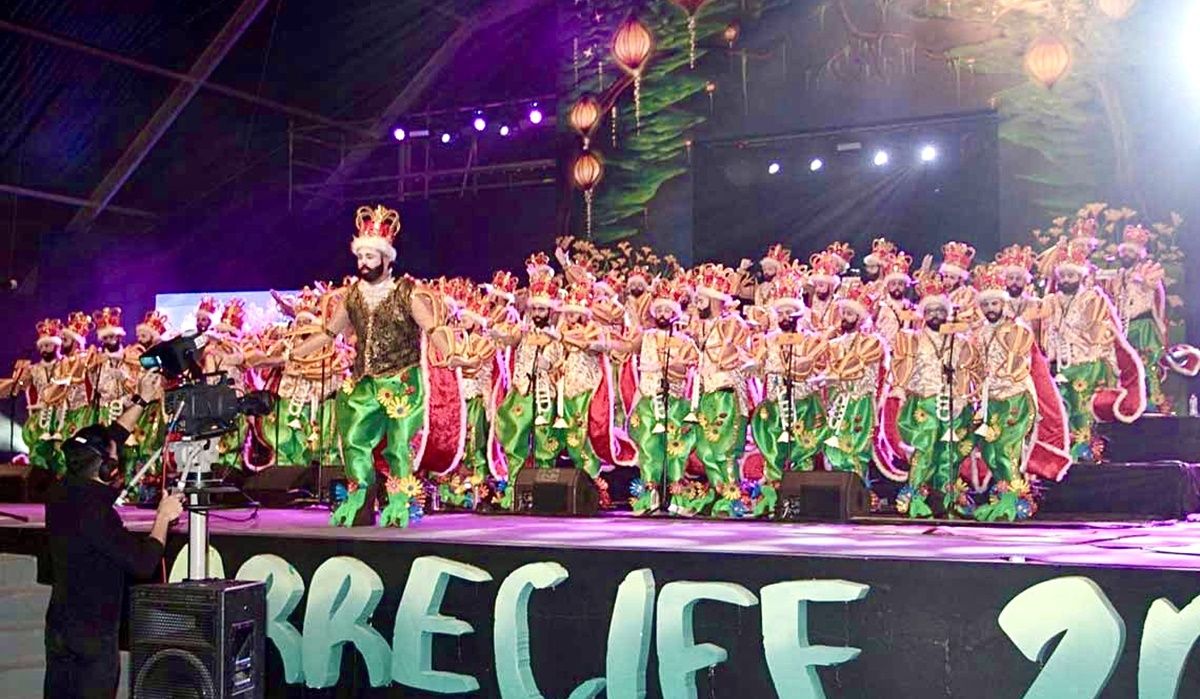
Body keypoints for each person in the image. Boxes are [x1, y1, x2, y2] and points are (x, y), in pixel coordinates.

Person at [292, 204, 439, 527]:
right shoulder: (352, 297)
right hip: (364, 382)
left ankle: (400, 502)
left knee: (399, 445)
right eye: (361, 257)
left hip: (402, 381)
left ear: (387, 259)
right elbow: (328, 332)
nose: (363, 264)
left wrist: (452, 353)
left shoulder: (407, 293)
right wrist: (296, 351)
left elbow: (433, 329)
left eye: (370, 258)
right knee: (354, 439)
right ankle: (360, 499)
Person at [43, 370, 184, 699]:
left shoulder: (59, 492)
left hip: (60, 628)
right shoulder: (96, 513)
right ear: (107, 469)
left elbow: (112, 437)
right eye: (113, 459)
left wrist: (141, 400)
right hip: (91, 637)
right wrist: (163, 518)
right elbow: (143, 562)